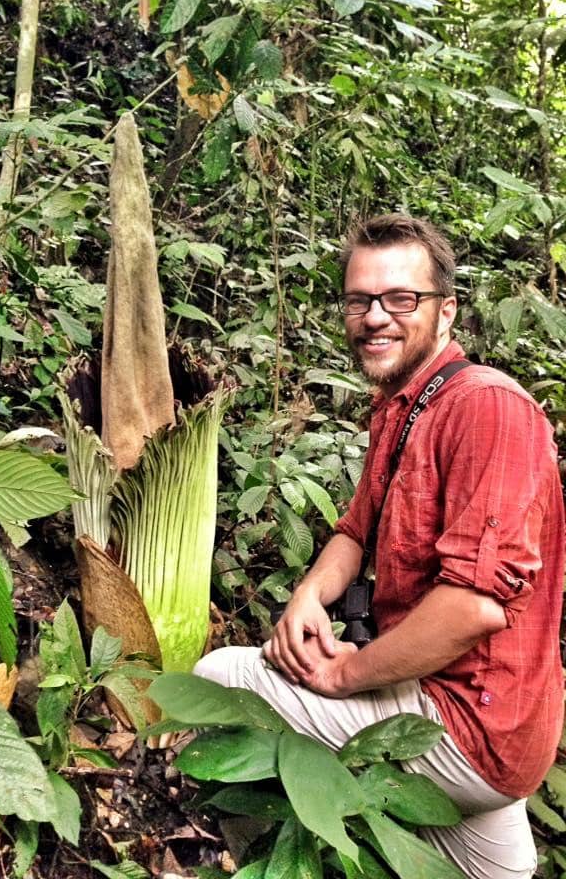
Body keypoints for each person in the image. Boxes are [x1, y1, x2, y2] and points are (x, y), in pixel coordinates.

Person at [195, 214, 565, 879]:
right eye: (360, 299)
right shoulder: (404, 406)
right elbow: (355, 530)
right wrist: (309, 593)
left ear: (445, 312)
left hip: (467, 723)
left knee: (219, 682)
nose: (375, 317)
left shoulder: (487, 410)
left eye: (401, 299)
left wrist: (344, 675)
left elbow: (474, 607)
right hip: (474, 717)